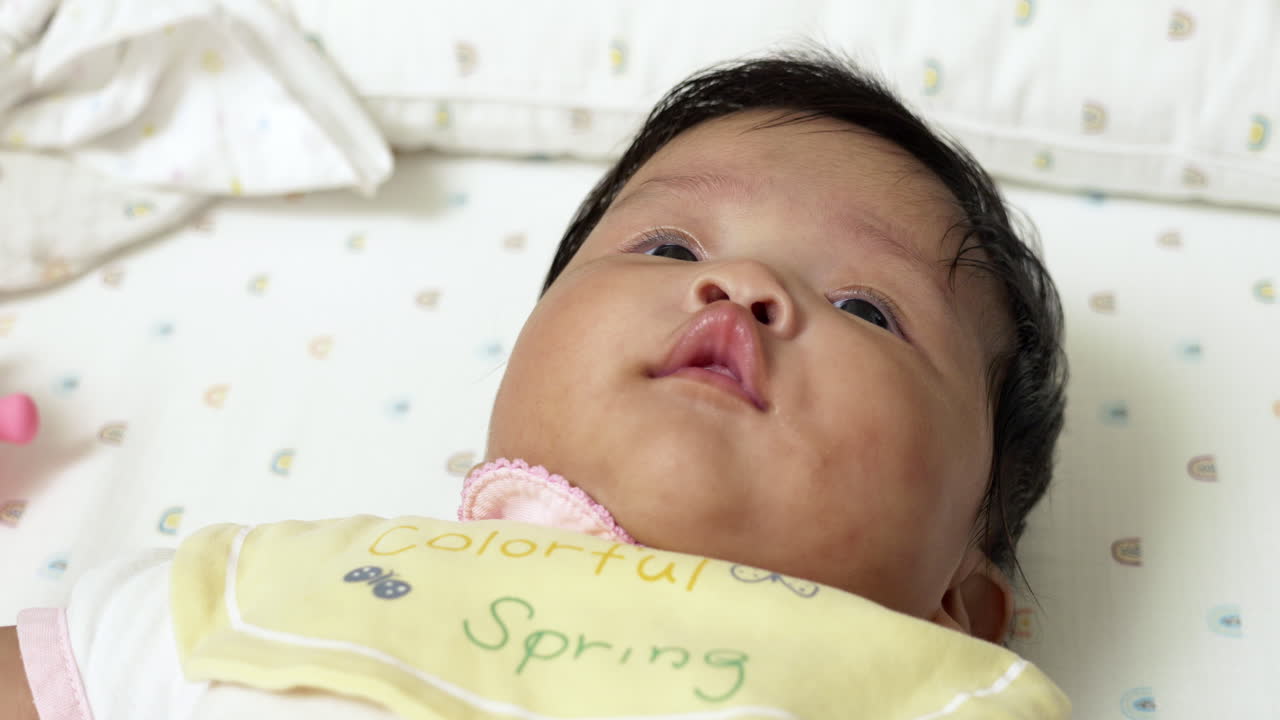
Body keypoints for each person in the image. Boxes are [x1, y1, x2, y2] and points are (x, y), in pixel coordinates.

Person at [0, 50, 1069, 719]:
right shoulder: (264, 593)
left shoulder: (936, 695)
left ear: (959, 606)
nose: (741, 285)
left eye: (866, 308)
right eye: (661, 248)